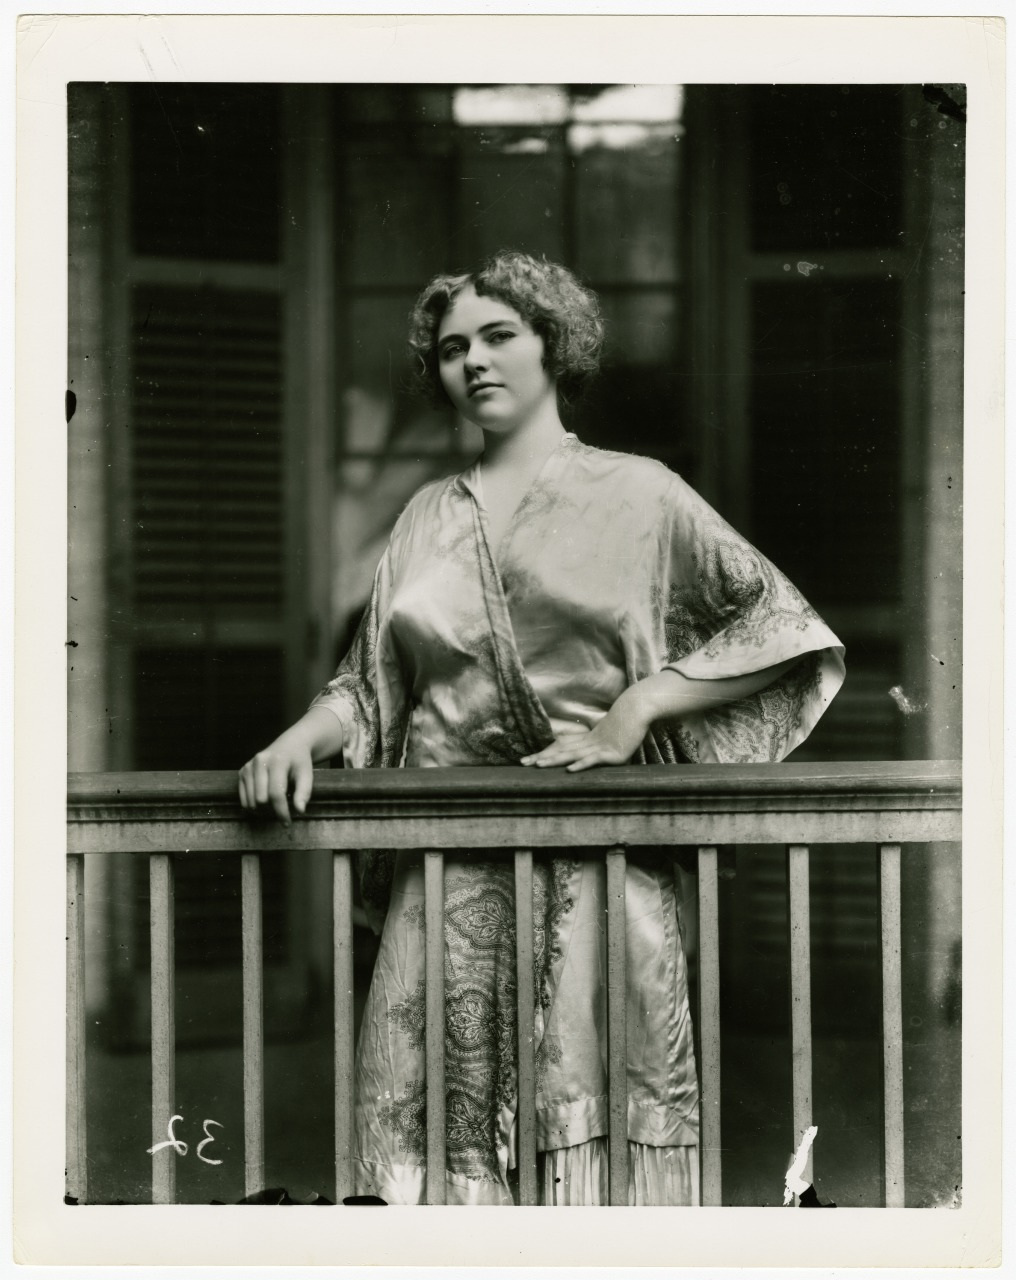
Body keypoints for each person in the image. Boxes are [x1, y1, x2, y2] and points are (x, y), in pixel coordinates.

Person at [238, 250, 845, 1205]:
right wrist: (292, 740)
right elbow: (366, 687)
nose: (472, 361)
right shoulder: (424, 517)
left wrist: (639, 706)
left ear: (552, 345)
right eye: (450, 349)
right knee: (437, 1149)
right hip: (447, 875)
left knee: (597, 1143)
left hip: (602, 863)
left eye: (498, 335)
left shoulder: (642, 494)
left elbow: (786, 628)